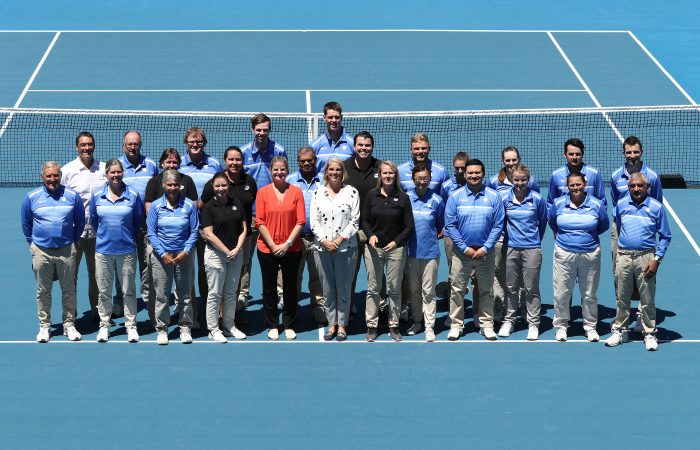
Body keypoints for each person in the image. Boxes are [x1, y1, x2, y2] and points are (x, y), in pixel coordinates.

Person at [605, 172, 671, 351]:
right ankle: (620, 331)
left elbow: (665, 236)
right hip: (624, 256)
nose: (636, 189)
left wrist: (656, 260)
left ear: (647, 187)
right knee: (622, 297)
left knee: (647, 298)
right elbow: (618, 227)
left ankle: (649, 333)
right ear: (628, 188)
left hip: (646, 257)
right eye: (633, 186)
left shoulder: (657, 208)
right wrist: (620, 253)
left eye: (640, 185)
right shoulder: (621, 205)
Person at [22, 161, 85, 342]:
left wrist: (72, 241)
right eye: (48, 176)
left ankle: (69, 324)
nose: (52, 179)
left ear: (60, 176)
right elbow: (26, 223)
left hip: (66, 249)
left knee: (69, 289)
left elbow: (79, 221)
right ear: (42, 177)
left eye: (56, 175)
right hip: (41, 250)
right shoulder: (31, 197)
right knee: (43, 290)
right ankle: (45, 326)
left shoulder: (72, 196)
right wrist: (32, 244)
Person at [444, 159, 504, 341]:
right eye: (470, 173)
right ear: (465, 174)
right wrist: (464, 248)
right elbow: (450, 225)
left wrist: (486, 248)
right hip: (461, 253)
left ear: (483, 174)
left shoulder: (494, 196)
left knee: (486, 289)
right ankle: (456, 325)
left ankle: (486, 324)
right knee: (457, 290)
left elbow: (498, 225)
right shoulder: (455, 197)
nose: (473, 175)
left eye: (477, 172)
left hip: (485, 253)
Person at [609, 135, 663, 333]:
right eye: (628, 152)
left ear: (641, 152)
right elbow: (616, 203)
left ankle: (642, 316)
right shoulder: (616, 176)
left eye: (636, 152)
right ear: (624, 153)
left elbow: (657, 203)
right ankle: (622, 315)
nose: (632, 156)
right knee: (619, 272)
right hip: (621, 228)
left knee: (646, 273)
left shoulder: (653, 177)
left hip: (644, 227)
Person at [548, 172, 609, 342]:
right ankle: (561, 326)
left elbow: (603, 224)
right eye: (572, 185)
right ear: (567, 187)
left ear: (584, 184)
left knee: (589, 293)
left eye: (578, 184)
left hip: (590, 254)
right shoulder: (558, 203)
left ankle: (590, 327)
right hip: (564, 253)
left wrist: (585, 237)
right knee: (561, 292)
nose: (575, 188)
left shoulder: (596, 204)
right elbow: (553, 222)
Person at [200, 146, 257, 327]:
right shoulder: (216, 183)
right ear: (225, 161)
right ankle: (218, 316)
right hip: (218, 240)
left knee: (237, 275)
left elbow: (250, 207)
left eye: (238, 159)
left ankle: (230, 315)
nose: (235, 163)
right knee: (217, 280)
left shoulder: (249, 181)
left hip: (242, 237)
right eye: (231, 159)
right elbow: (203, 205)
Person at [90, 159, 145, 343]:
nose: (115, 175)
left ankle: (131, 326)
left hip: (127, 250)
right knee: (104, 292)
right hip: (103, 251)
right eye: (112, 172)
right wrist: (107, 236)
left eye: (118, 172)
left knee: (128, 291)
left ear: (123, 173)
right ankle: (104, 326)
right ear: (106, 174)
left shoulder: (134, 195)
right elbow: (95, 221)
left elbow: (138, 221)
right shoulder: (97, 196)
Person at [143, 148, 198, 326]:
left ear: (180, 185)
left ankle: (186, 326)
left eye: (176, 185)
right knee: (161, 294)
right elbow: (151, 231)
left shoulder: (189, 205)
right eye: (169, 185)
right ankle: (162, 327)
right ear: (164, 186)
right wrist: (163, 252)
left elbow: (194, 230)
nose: (173, 188)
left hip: (183, 253)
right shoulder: (157, 205)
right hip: (162, 253)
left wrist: (187, 250)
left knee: (186, 294)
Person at [362, 161, 414, 342]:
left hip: (396, 250)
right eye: (385, 173)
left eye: (391, 173)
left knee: (394, 289)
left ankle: (394, 325)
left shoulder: (403, 198)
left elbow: (409, 226)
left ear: (395, 175)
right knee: (374, 288)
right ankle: (372, 325)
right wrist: (370, 236)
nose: (388, 176)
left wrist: (395, 242)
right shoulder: (371, 196)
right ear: (380, 175)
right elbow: (365, 221)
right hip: (373, 249)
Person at [487, 146, 540, 324]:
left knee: (526, 280)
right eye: (507, 160)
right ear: (503, 161)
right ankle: (500, 309)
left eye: (514, 160)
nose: (511, 163)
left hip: (524, 239)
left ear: (519, 159)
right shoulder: (494, 181)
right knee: (502, 275)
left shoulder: (529, 182)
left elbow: (538, 213)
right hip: (500, 238)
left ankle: (525, 310)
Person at [255, 156, 305, 341]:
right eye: (275, 169)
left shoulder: (296, 192)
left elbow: (300, 220)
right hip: (267, 248)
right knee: (269, 288)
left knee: (290, 287)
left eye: (282, 169)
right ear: (270, 170)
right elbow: (259, 221)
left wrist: (287, 244)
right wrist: (274, 245)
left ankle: (289, 324)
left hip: (291, 248)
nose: (279, 173)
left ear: (287, 170)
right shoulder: (262, 193)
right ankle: (272, 324)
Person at [310, 158, 360, 341]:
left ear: (342, 172)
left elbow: (355, 221)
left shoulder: (352, 192)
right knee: (328, 289)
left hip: (346, 249)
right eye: (331, 169)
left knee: (344, 288)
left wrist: (338, 241)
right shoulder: (318, 193)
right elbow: (313, 221)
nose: (335, 172)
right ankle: (331, 324)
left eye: (338, 169)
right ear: (326, 172)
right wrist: (324, 241)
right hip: (322, 249)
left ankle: (342, 325)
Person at [240, 113, 287, 308]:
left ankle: (281, 293)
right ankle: (243, 293)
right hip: (250, 214)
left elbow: (283, 176)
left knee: (277, 255)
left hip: (273, 214)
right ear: (253, 130)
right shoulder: (243, 153)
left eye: (265, 130)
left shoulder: (278, 150)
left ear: (270, 130)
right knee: (245, 257)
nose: (261, 133)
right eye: (258, 130)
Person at [178, 127, 223, 319]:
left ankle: (209, 310)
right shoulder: (178, 164)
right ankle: (188, 311)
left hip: (207, 225)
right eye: (191, 142)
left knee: (208, 269)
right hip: (184, 225)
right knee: (185, 270)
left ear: (204, 143)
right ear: (186, 144)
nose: (195, 145)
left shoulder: (214, 164)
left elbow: (221, 188)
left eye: (198, 142)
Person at [60, 131, 105, 320]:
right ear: (76, 147)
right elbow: (60, 199)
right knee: (71, 275)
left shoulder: (104, 169)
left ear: (94, 145)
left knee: (98, 275)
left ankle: (98, 311)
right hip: (74, 233)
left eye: (90, 144)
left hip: (99, 232)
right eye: (83, 145)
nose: (87, 148)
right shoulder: (68, 171)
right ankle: (70, 314)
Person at [500, 164, 547, 340]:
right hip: (511, 248)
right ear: (511, 180)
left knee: (531, 288)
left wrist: (534, 241)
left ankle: (533, 323)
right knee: (511, 287)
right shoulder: (505, 199)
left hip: (532, 249)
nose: (519, 183)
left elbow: (542, 222)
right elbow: (502, 222)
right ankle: (509, 321)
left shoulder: (537, 199)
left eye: (523, 180)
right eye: (516, 180)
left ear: (529, 180)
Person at [201, 172, 248, 342]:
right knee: (214, 293)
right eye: (217, 186)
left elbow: (244, 228)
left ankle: (229, 326)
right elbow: (209, 234)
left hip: (236, 254)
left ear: (228, 186)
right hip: (216, 255)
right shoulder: (208, 207)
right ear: (213, 187)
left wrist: (237, 248)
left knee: (230, 292)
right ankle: (213, 329)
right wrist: (227, 251)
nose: (221, 189)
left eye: (224, 185)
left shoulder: (237, 203)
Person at [119, 130, 158, 317]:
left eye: (136, 144)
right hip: (124, 227)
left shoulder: (151, 165)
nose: (132, 147)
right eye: (129, 144)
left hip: (145, 226)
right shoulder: (117, 166)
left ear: (140, 145)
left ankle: (148, 300)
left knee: (146, 265)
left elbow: (158, 190)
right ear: (123, 145)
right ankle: (120, 301)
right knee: (123, 265)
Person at [343, 131, 383, 313]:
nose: (363, 148)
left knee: (376, 274)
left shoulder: (380, 168)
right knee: (348, 274)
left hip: (374, 231)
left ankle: (379, 310)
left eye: (367, 145)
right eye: (360, 145)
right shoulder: (344, 168)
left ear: (372, 147)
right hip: (349, 230)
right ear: (354, 147)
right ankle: (347, 307)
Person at [405, 164, 444, 342]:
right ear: (413, 180)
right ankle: (417, 321)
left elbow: (441, 225)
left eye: (425, 179)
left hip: (430, 254)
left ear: (430, 179)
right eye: (419, 179)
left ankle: (429, 326)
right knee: (414, 290)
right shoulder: (406, 199)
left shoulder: (436, 200)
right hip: (410, 253)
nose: (422, 182)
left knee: (428, 291)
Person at [286, 147, 325, 324]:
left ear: (315, 160)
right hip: (296, 238)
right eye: (303, 161)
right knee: (294, 275)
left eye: (310, 160)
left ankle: (318, 307)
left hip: (318, 237)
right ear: (298, 162)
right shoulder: (290, 181)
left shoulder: (323, 181)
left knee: (317, 275)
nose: (307, 163)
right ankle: (292, 309)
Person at [440, 151, 469, 325]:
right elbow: (441, 206)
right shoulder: (446, 186)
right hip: (451, 236)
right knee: (454, 272)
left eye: (463, 168)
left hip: (473, 236)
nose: (459, 171)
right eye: (456, 168)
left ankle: (478, 312)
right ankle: (454, 314)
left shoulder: (479, 183)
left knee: (476, 275)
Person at [547, 138, 605, 207]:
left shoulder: (594, 174)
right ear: (565, 155)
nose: (574, 157)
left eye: (578, 154)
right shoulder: (556, 175)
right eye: (571, 154)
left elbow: (601, 201)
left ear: (582, 154)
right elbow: (551, 203)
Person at [309, 101, 354, 175]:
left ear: (341, 118)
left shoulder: (352, 143)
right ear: (324, 118)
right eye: (330, 117)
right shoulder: (314, 145)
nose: (334, 120)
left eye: (337, 117)